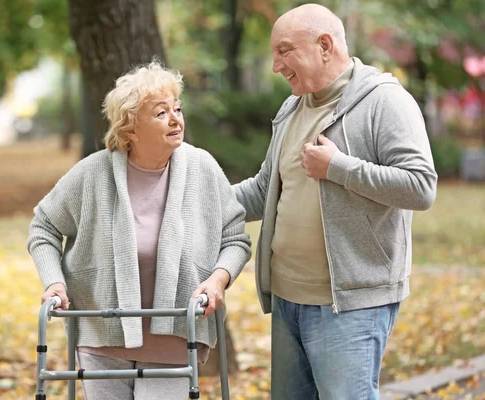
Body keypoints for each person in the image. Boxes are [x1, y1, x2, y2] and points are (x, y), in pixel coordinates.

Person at [232, 4, 437, 399]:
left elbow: (421, 187)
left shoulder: (385, 101)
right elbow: (264, 190)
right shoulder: (292, 107)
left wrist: (339, 167)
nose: (275, 65)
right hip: (288, 299)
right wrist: (196, 201)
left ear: (324, 45)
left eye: (284, 50)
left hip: (350, 305)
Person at [27, 60, 251, 400]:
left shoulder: (202, 168)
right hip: (102, 335)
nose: (176, 119)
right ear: (130, 128)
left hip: (176, 334)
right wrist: (54, 282)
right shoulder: (93, 173)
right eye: (161, 113)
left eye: (177, 109)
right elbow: (43, 227)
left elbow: (235, 238)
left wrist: (218, 279)